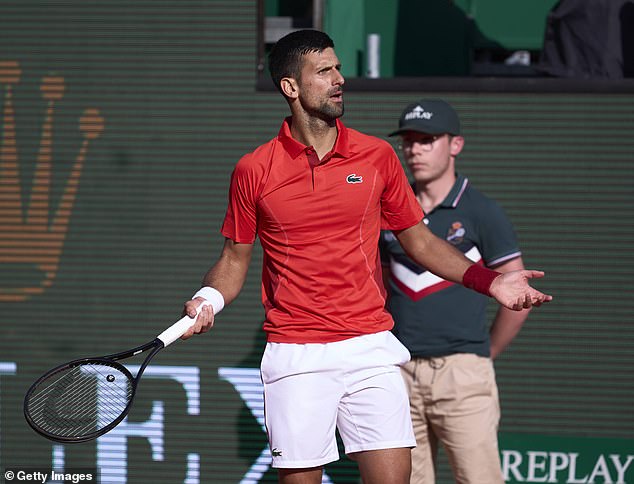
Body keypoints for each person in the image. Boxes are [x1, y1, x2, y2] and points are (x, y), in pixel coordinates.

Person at [181, 30, 551, 484]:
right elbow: (234, 260)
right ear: (290, 88)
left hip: (369, 348)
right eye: (324, 71)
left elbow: (420, 242)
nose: (339, 79)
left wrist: (490, 282)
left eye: (338, 68)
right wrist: (208, 298)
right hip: (296, 354)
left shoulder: (376, 156)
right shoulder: (253, 170)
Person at [380, 99, 531, 484]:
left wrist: (484, 354)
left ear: (456, 144)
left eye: (427, 139)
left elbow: (517, 294)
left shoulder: (481, 211)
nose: (415, 149)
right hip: (398, 373)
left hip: (462, 374)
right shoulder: (390, 210)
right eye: (409, 140)